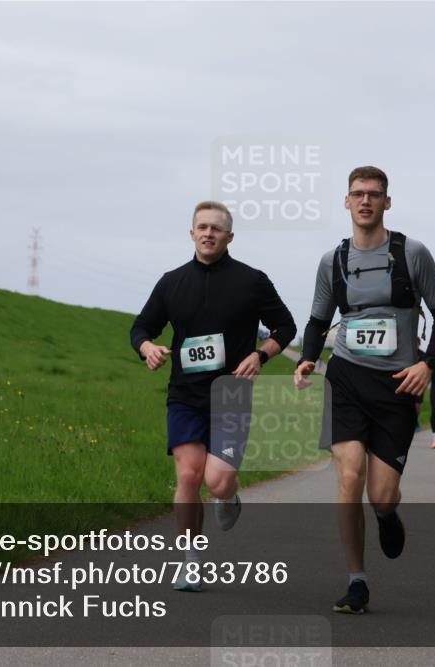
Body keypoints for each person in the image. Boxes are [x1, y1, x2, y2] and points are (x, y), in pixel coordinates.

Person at [294, 166, 435, 613]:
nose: (365, 201)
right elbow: (317, 319)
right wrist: (309, 356)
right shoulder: (333, 260)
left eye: (375, 194)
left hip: (398, 384)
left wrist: (427, 364)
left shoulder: (412, 253)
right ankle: (357, 580)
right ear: (346, 202)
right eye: (357, 194)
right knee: (349, 478)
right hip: (346, 376)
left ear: (387, 202)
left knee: (381, 494)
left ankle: (386, 515)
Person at [130, 200, 296, 592]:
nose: (208, 233)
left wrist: (260, 355)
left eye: (216, 229)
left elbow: (285, 326)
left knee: (218, 481)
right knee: (188, 475)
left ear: (229, 236)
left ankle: (229, 496)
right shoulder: (172, 282)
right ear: (191, 233)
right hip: (185, 395)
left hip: (232, 394)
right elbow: (141, 327)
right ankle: (190, 562)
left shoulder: (252, 281)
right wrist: (148, 348)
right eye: (201, 227)